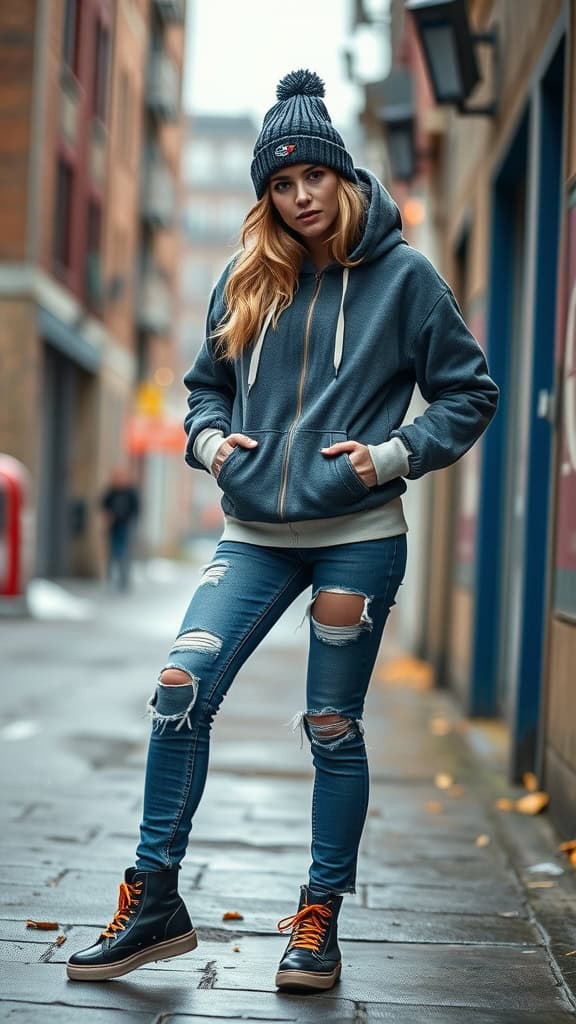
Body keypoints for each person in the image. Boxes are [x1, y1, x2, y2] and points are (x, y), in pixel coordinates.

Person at [67, 70, 498, 990]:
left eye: (313, 178)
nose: (300, 197)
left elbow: (470, 392)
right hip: (254, 533)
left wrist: (391, 456)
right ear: (267, 193)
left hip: (360, 533)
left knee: (331, 724)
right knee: (181, 685)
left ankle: (318, 921)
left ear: (343, 177)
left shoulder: (406, 278)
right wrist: (213, 446)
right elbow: (203, 392)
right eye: (281, 184)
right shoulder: (246, 275)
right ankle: (153, 903)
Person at [100, 467, 140, 591]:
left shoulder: (130, 492)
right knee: (113, 552)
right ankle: (111, 578)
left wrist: (130, 520)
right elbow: (103, 504)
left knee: (123, 553)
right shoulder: (111, 491)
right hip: (114, 526)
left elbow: (136, 508)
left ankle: (123, 580)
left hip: (126, 526)